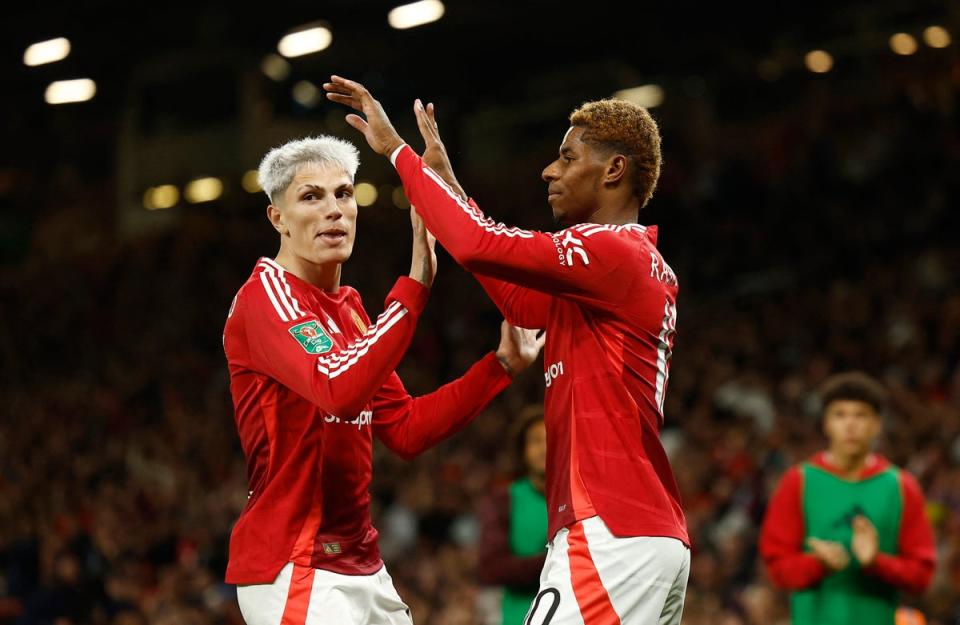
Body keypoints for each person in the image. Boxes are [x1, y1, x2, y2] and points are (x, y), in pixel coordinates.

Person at [325, 76, 689, 624]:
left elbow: (478, 244)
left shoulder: (608, 248)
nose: (549, 170)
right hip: (649, 533)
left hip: (609, 528)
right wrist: (447, 183)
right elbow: (520, 304)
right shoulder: (630, 266)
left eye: (567, 157)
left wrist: (396, 153)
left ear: (614, 170)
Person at [222, 135, 544, 625]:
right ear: (278, 219)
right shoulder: (264, 296)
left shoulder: (349, 308)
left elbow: (407, 428)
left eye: (344, 194)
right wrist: (414, 286)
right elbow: (339, 389)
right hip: (294, 563)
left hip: (360, 564)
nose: (334, 210)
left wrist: (498, 367)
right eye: (311, 197)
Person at [760, 372, 936, 625]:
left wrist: (877, 562)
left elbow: (922, 576)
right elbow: (777, 570)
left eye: (861, 415)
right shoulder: (798, 481)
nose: (850, 424)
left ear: (877, 424)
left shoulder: (902, 486)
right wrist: (818, 564)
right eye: (840, 414)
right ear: (826, 423)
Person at [477, 407, 548, 625]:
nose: (544, 448)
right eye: (535, 440)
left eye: (551, 438)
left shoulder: (580, 496)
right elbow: (491, 569)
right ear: (523, 450)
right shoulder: (504, 500)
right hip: (520, 617)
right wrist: (553, 560)